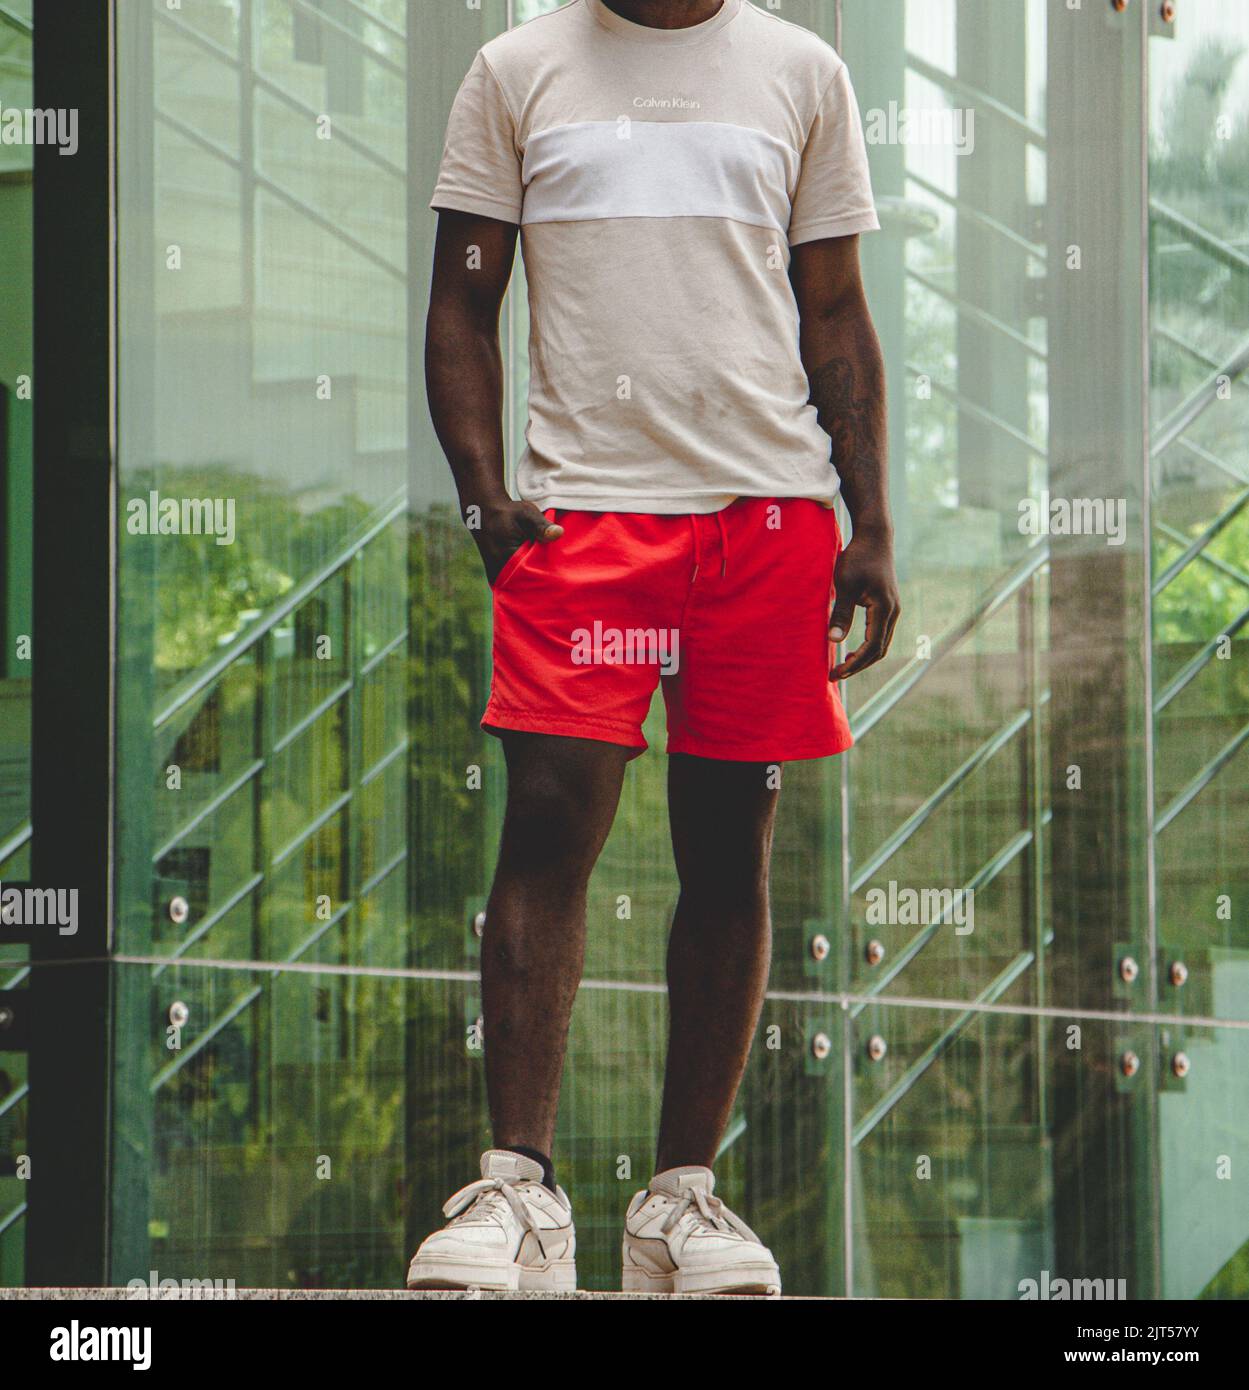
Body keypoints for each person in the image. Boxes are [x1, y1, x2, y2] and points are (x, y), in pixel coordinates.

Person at [410, 0, 899, 1296]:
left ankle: (681, 1199)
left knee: (727, 844)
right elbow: (462, 303)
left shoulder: (802, 72)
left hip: (766, 517)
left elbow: (835, 311)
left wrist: (871, 523)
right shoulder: (517, 70)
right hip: (586, 518)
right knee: (547, 818)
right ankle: (518, 1191)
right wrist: (484, 498)